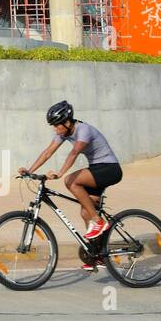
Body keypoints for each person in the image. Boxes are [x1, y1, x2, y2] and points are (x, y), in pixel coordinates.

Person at [20, 100, 122, 271]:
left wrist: (60, 173)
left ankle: (99, 222)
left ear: (67, 122)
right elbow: (48, 152)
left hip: (109, 169)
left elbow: (75, 152)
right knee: (85, 211)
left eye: (56, 125)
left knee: (70, 181)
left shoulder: (84, 130)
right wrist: (29, 171)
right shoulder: (63, 133)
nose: (55, 129)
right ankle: (99, 255)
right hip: (97, 170)